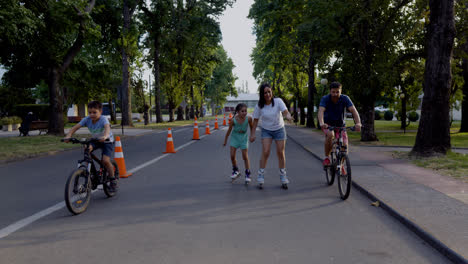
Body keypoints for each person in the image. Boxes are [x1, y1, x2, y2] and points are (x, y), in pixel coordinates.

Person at [64, 101, 118, 190]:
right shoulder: (87, 119)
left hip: (107, 141)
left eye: (94, 112)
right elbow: (75, 127)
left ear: (100, 111)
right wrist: (69, 135)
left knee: (105, 160)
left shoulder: (103, 119)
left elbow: (107, 128)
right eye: (90, 112)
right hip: (96, 140)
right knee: (87, 149)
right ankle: (89, 172)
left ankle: (112, 180)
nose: (92, 114)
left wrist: (105, 136)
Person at [250, 83, 293, 188]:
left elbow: (285, 112)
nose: (268, 94)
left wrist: (288, 117)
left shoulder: (278, 101)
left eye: (269, 92)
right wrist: (252, 134)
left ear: (272, 92)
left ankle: (283, 176)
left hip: (279, 129)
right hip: (266, 130)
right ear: (262, 94)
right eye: (265, 93)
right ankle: (260, 175)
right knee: (266, 151)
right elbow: (255, 121)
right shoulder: (259, 106)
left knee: (280, 152)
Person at [317, 81, 362, 167]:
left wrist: (358, 123)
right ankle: (327, 157)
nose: (335, 94)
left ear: (341, 91)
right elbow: (321, 111)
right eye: (333, 92)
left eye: (337, 92)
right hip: (327, 124)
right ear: (330, 91)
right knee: (330, 134)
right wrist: (321, 123)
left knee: (344, 147)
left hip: (340, 125)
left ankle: (340, 166)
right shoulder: (325, 99)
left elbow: (354, 111)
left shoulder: (345, 98)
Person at [223, 103, 254, 184]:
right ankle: (236, 170)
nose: (244, 113)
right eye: (242, 111)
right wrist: (225, 140)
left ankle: (247, 173)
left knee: (245, 156)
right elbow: (229, 131)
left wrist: (252, 135)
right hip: (235, 138)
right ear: (237, 112)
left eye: (245, 111)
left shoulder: (249, 119)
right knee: (232, 155)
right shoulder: (233, 120)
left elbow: (252, 127)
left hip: (244, 138)